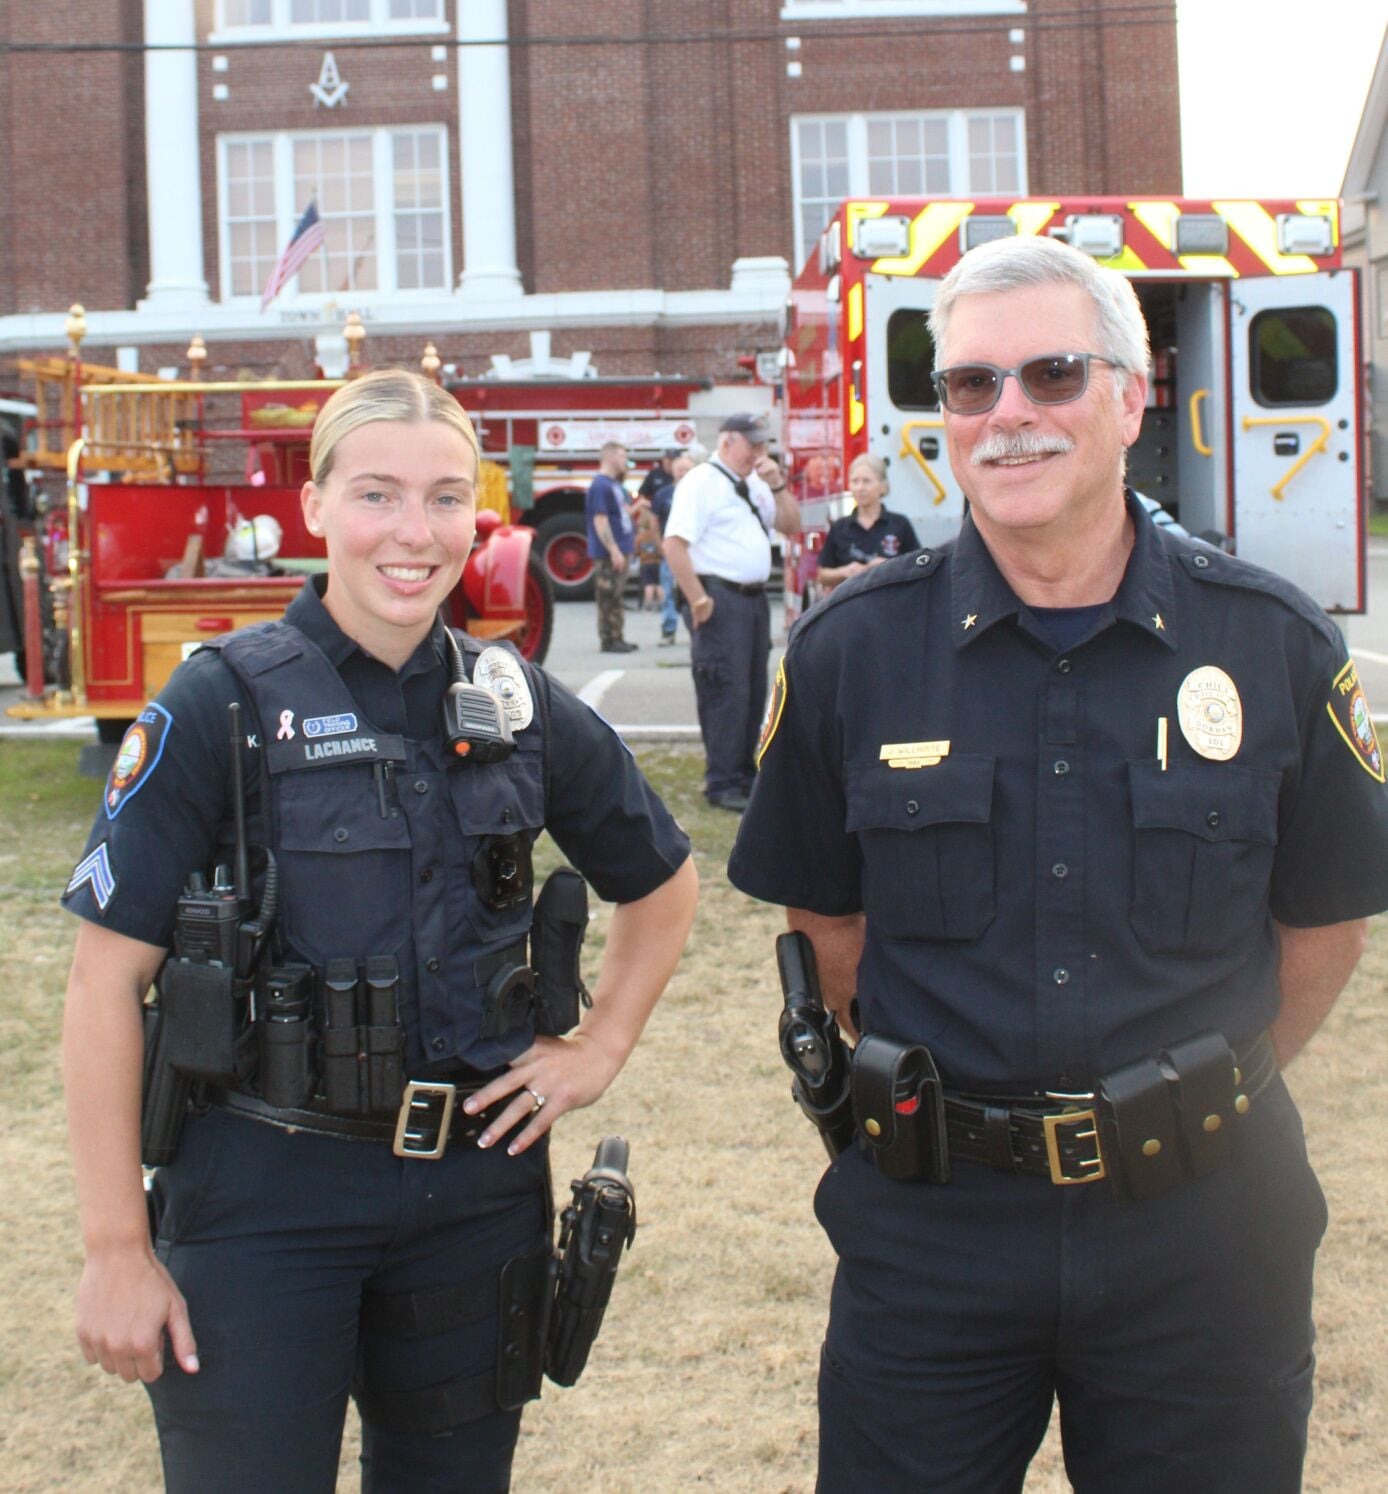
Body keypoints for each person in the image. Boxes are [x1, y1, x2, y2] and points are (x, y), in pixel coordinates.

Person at [728, 235, 1388, 1492]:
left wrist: (1172, 1102)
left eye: (1050, 375)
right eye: (969, 386)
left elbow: (1320, 938)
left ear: (1132, 399)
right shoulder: (851, 653)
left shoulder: (1270, 645)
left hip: (1203, 1229)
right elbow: (830, 937)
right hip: (934, 1228)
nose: (1006, 415)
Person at [60, 368, 698, 1493]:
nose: (415, 533)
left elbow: (661, 880)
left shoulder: (513, 699)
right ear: (314, 506)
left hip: (473, 1196)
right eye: (377, 495)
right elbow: (103, 985)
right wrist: (117, 1248)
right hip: (262, 1195)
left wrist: (597, 1050)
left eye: (447, 498)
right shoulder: (219, 706)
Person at [662, 413, 798, 811]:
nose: (759, 452)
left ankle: (743, 774)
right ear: (727, 442)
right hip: (721, 598)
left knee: (753, 689)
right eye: (752, 445)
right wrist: (699, 600)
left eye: (762, 445)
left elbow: (790, 524)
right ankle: (722, 781)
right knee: (725, 689)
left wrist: (777, 484)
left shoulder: (755, 482)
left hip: (752, 599)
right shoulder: (701, 482)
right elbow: (674, 544)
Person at [813, 454, 920, 591]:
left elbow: (918, 565)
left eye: (866, 481)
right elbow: (822, 575)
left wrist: (890, 566)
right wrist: (845, 571)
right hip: (850, 605)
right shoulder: (840, 527)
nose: (860, 488)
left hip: (890, 603)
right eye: (855, 481)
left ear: (883, 486)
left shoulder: (900, 524)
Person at [584, 440, 637, 654]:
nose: (625, 461)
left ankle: (618, 636)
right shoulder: (600, 485)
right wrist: (614, 550)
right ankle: (609, 639)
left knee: (616, 595)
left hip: (620, 549)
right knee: (608, 596)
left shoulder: (614, 485)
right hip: (608, 553)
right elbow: (600, 520)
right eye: (623, 456)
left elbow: (620, 515)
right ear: (611, 457)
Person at [649, 449, 694, 644]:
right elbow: (653, 521)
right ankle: (669, 631)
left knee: (695, 591)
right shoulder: (663, 494)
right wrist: (660, 545)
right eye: (679, 470)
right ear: (673, 472)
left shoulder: (698, 493)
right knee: (668, 592)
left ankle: (697, 631)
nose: (683, 474)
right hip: (671, 551)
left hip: (694, 553)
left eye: (687, 470)